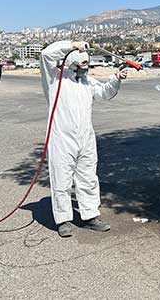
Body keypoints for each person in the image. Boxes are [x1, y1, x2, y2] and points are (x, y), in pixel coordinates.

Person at [40, 40, 129, 237]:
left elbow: (104, 93)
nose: (85, 67)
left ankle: (90, 216)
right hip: (61, 138)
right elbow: (46, 54)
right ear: (71, 61)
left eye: (87, 64)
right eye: (82, 64)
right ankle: (63, 220)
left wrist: (116, 78)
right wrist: (71, 44)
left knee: (88, 177)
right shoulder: (55, 79)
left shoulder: (87, 81)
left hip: (85, 137)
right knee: (61, 179)